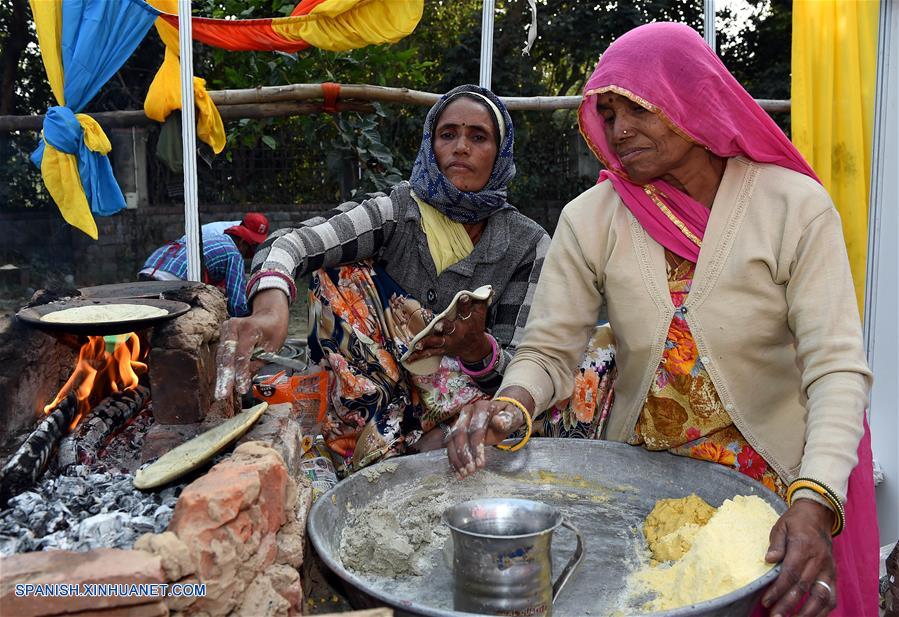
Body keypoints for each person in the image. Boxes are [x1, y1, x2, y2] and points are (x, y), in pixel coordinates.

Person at [446, 23, 877, 617]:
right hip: (649, 493)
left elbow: (835, 369)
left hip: (783, 487)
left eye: (638, 110)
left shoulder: (793, 208)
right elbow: (549, 350)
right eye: (609, 113)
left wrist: (814, 500)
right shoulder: (591, 218)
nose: (621, 131)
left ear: (691, 100)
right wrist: (514, 402)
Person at [215, 85, 550, 474]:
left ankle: (421, 441)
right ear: (431, 144)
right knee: (338, 273)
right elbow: (294, 242)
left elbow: (522, 365)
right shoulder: (398, 210)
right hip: (381, 397)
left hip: (468, 401)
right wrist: (270, 308)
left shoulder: (527, 243)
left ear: (501, 152)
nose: (461, 147)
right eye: (448, 134)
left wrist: (477, 349)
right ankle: (394, 440)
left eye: (478, 137)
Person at [138, 213, 270, 317]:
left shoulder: (210, 235)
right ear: (242, 243)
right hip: (173, 279)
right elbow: (237, 306)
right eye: (251, 247)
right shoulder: (234, 254)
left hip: (149, 268)